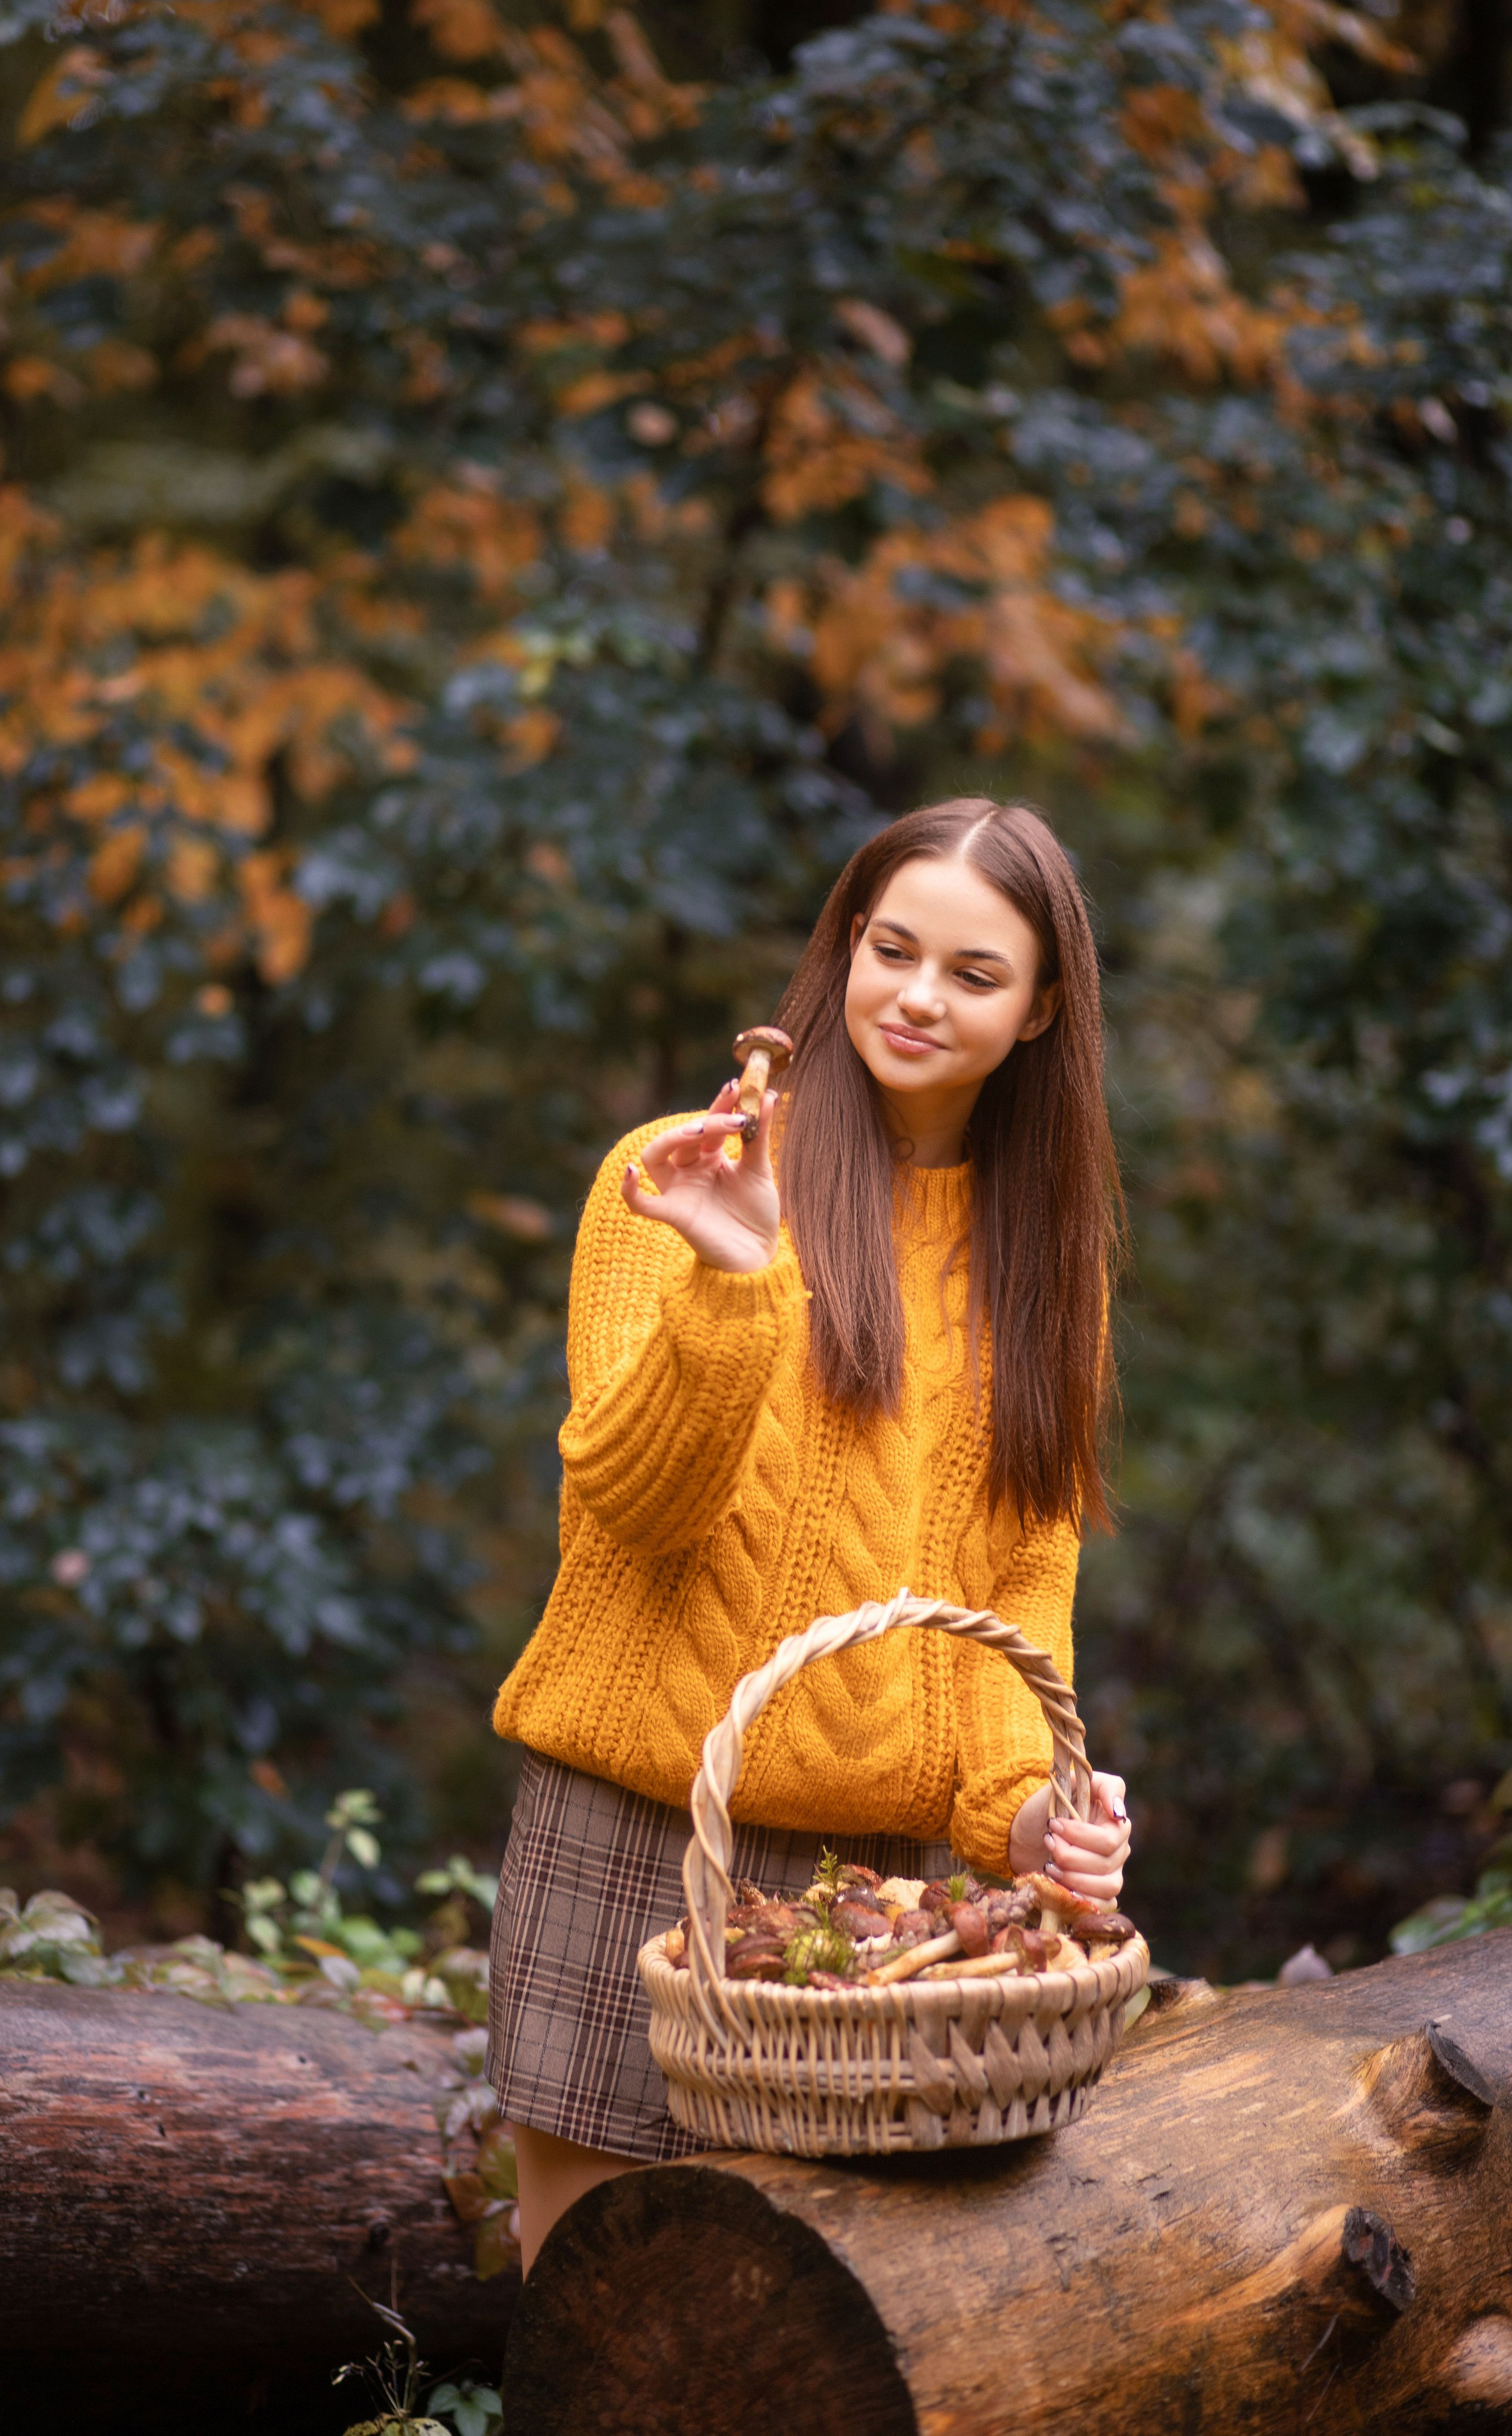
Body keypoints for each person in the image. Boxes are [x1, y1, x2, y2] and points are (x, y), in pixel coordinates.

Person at [488, 795, 1132, 2266]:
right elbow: (632, 1516)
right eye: (891, 949)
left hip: (885, 1896)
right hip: (636, 1837)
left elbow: (1016, 1594)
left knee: (836, 2348)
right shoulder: (677, 1173)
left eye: (973, 975)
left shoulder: (1044, 1264)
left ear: (1039, 1014)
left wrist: (1039, 1823)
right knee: (609, 2318)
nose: (916, 996)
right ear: (845, 946)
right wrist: (731, 1284)